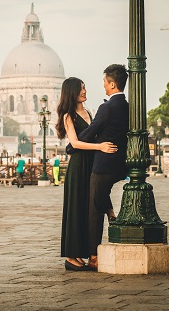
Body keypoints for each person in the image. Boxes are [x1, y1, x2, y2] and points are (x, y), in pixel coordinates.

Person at [55, 77, 118, 272]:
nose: (85, 91)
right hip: (78, 166)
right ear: (72, 92)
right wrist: (100, 147)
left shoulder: (89, 112)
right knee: (76, 208)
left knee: (89, 209)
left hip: (92, 162)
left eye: (85, 88)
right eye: (82, 89)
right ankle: (71, 256)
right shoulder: (68, 115)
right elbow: (74, 143)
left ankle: (89, 252)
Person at [77, 64, 129, 271]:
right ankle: (111, 214)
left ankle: (93, 256)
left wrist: (75, 144)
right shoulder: (127, 106)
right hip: (120, 165)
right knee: (101, 199)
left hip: (103, 165)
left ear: (112, 83)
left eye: (105, 83)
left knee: (93, 211)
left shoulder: (106, 108)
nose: (103, 87)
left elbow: (92, 131)